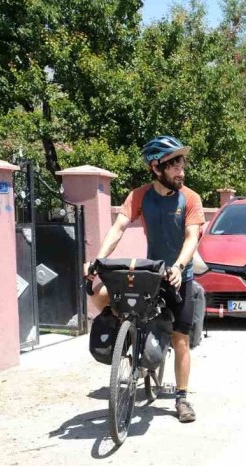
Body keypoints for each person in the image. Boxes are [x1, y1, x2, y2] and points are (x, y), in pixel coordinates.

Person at [85, 135, 205, 423]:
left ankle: (182, 398)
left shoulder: (190, 198)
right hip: (152, 273)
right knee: (100, 293)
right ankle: (127, 337)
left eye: (182, 165)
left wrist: (178, 266)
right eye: (175, 166)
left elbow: (191, 238)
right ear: (156, 167)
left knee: (180, 339)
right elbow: (118, 228)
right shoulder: (140, 196)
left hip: (179, 275)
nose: (181, 172)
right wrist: (98, 260)